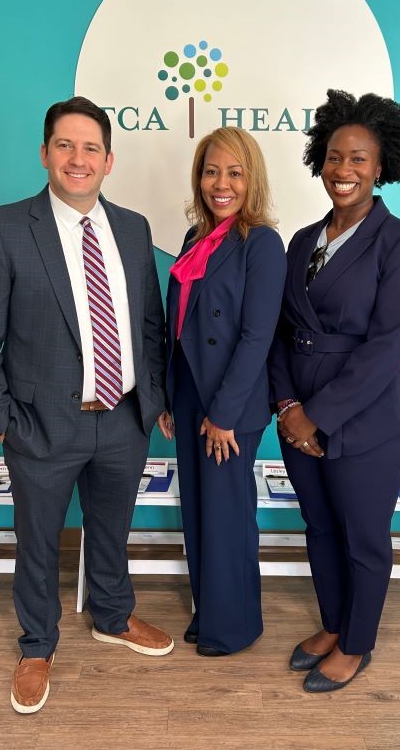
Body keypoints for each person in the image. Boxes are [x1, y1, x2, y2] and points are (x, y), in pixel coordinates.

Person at [0, 96, 173, 715]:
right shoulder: (3, 227)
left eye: (90, 149)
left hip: (124, 420)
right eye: (65, 146)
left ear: (109, 160)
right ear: (45, 153)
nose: (77, 159)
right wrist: (0, 421)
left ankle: (112, 616)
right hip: (42, 426)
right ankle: (36, 645)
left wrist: (152, 398)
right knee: (38, 540)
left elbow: (149, 324)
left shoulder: (132, 229)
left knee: (112, 530)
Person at [269, 90, 400, 692]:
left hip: (367, 419)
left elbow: (388, 347)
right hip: (296, 413)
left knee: (362, 537)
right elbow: (281, 332)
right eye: (335, 157)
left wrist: (318, 417)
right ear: (320, 159)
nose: (344, 171)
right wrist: (287, 407)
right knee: (319, 528)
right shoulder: (300, 240)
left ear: (381, 166)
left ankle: (357, 644)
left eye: (359, 160)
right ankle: (334, 624)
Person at [161, 127, 286, 656]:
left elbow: (258, 336)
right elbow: (179, 323)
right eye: (212, 171)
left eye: (234, 172)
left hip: (229, 404)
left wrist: (225, 413)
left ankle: (232, 627)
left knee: (227, 513)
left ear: (251, 179)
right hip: (191, 391)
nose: (221, 183)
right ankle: (209, 609)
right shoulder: (195, 239)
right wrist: (170, 397)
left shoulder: (262, 242)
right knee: (198, 511)